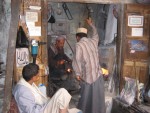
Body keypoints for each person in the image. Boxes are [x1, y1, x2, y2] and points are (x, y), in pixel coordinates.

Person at [72, 18, 106, 113]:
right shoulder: (93, 41)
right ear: (86, 36)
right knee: (97, 100)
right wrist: (91, 24)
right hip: (98, 77)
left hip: (87, 78)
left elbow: (77, 61)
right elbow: (96, 34)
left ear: (77, 37)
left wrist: (78, 74)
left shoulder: (78, 45)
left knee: (86, 101)